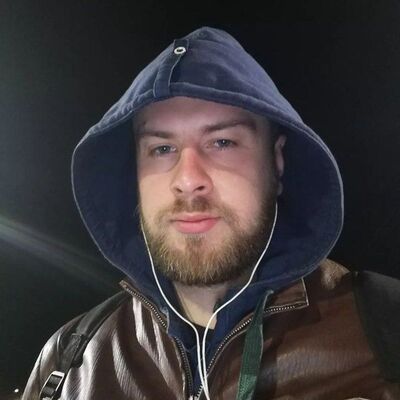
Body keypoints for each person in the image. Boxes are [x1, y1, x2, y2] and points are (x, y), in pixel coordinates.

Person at [22, 26, 399, 400]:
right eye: (162, 149)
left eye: (222, 142)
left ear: (277, 161)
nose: (188, 180)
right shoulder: (69, 360)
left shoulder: (388, 327)